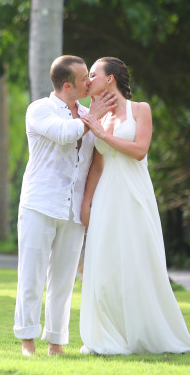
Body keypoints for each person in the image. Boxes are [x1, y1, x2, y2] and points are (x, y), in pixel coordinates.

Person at [78, 57, 190, 355]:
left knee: (137, 261)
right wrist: (86, 203)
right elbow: (97, 166)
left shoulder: (140, 110)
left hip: (134, 194)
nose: (88, 80)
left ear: (110, 79)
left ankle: (147, 331)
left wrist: (103, 135)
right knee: (105, 264)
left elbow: (139, 151)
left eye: (93, 74)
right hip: (106, 196)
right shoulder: (96, 116)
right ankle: (110, 334)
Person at [14, 55, 116, 356]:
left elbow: (96, 160)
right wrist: (92, 117)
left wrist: (88, 204)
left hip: (74, 210)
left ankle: (56, 344)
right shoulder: (39, 109)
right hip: (39, 204)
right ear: (67, 85)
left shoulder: (88, 113)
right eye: (84, 78)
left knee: (64, 280)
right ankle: (27, 342)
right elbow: (63, 134)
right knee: (31, 276)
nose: (89, 81)